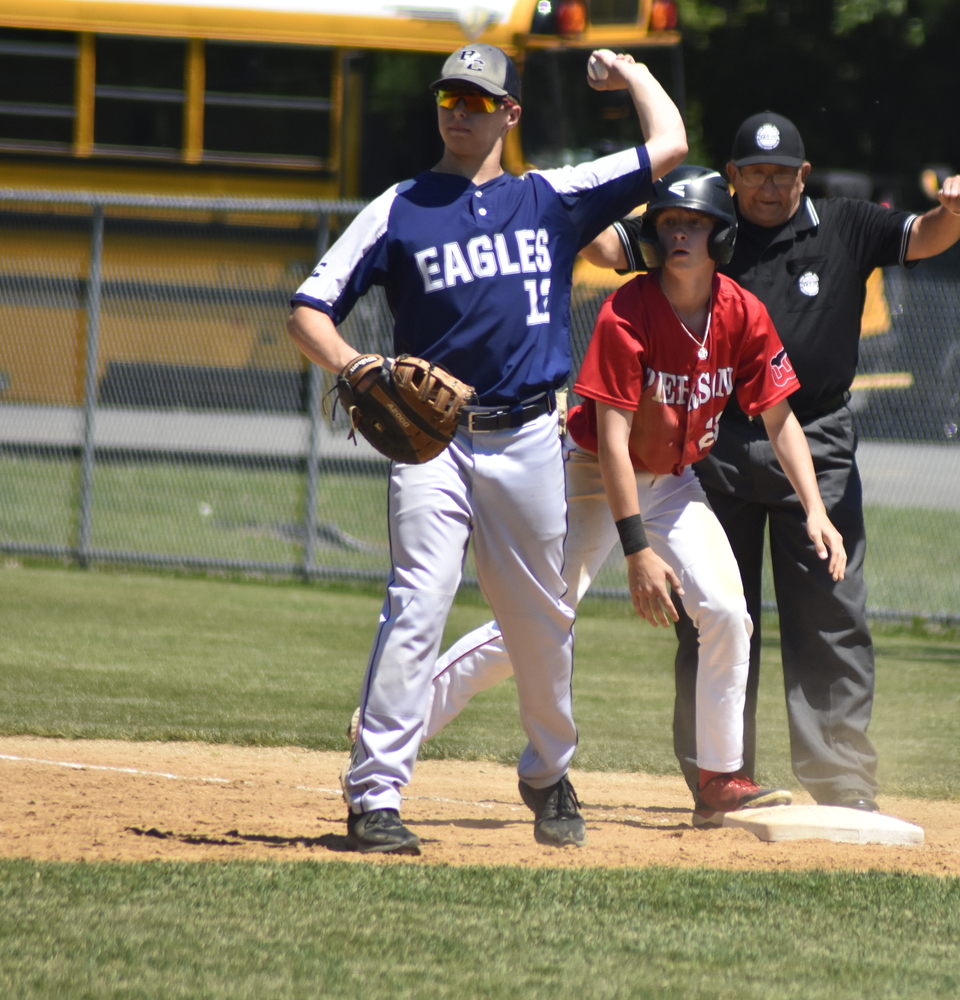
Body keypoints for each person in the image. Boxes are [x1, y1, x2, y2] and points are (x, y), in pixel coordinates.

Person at [286, 44, 686, 854]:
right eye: (449, 98)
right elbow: (309, 308)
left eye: (478, 101)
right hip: (430, 445)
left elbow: (669, 148)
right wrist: (355, 364)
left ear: (510, 114)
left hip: (531, 435)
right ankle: (374, 796)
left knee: (540, 619)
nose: (459, 112)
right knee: (416, 604)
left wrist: (633, 75)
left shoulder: (548, 197)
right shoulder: (398, 208)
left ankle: (546, 771)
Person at [396, 166, 847, 827]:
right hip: (591, 474)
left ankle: (721, 778)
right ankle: (401, 716)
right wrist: (636, 549)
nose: (680, 235)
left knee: (726, 611)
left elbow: (780, 416)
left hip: (674, 481)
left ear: (720, 235)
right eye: (668, 224)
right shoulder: (628, 311)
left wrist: (815, 509)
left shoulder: (740, 313)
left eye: (694, 223)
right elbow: (609, 438)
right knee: (542, 620)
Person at [586, 112, 960, 811]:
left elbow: (924, 236)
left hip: (814, 435)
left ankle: (842, 781)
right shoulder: (701, 219)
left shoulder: (846, 224)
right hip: (711, 436)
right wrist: (587, 191)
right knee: (713, 612)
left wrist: (959, 209)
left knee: (830, 609)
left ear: (804, 175)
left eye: (782, 173)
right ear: (732, 177)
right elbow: (607, 248)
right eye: (753, 172)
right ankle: (718, 771)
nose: (768, 186)